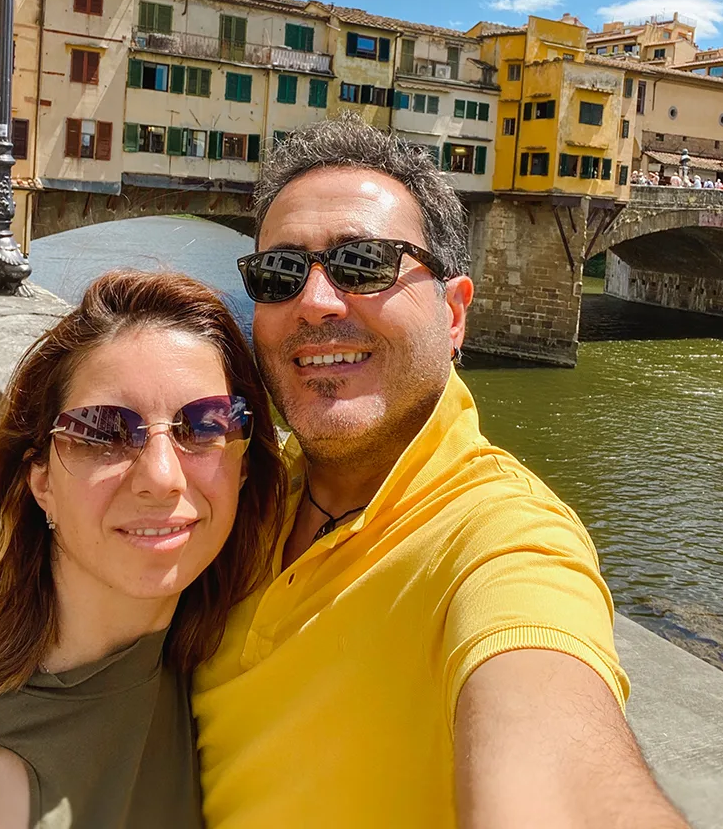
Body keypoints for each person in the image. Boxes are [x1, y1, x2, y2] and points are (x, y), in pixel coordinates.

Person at [194, 114, 688, 829]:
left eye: (365, 263)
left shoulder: (503, 540)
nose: (316, 301)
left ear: (454, 315)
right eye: (280, 274)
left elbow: (553, 741)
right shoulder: (246, 484)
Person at [0, 269, 286, 828]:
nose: (162, 476)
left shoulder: (222, 676)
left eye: (204, 425)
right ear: (41, 482)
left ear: (244, 465)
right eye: (103, 431)